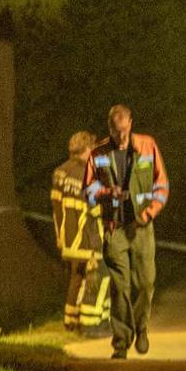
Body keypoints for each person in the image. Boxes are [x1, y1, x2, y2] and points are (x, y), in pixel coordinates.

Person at [84, 104, 169, 359]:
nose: (120, 136)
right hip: (114, 228)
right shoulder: (98, 153)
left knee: (145, 283)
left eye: (123, 130)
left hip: (142, 227)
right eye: (114, 130)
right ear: (109, 127)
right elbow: (87, 191)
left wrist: (150, 211)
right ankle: (121, 342)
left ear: (130, 123)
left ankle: (141, 327)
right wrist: (106, 193)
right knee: (120, 288)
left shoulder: (147, 146)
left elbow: (162, 185)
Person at [51, 131, 109, 336]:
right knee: (95, 279)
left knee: (76, 276)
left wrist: (59, 236)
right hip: (87, 238)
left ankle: (70, 321)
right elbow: (96, 209)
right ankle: (91, 323)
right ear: (86, 149)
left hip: (68, 238)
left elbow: (56, 206)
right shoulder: (88, 174)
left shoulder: (60, 172)